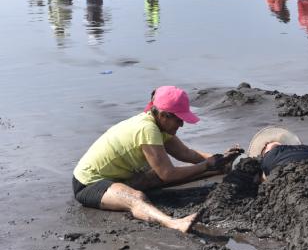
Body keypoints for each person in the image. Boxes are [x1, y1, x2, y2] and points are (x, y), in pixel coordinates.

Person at [72, 86, 243, 232]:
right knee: (136, 197)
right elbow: (168, 174)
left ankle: (219, 169)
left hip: (118, 178)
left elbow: (186, 154)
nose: (181, 125)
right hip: (90, 184)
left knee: (156, 175)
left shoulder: (158, 126)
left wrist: (219, 159)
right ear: (163, 115)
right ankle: (174, 223)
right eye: (179, 119)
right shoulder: (147, 129)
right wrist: (206, 166)